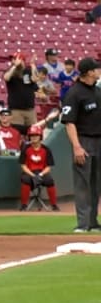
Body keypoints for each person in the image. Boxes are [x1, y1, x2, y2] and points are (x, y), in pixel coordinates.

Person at [60, 57, 101, 233]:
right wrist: (77, 146)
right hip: (83, 140)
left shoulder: (97, 92)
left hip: (99, 140)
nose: (99, 71)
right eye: (97, 69)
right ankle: (83, 224)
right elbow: (69, 122)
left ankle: (92, 222)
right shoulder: (74, 93)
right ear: (89, 72)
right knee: (83, 183)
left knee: (96, 183)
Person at [18, 126, 59, 211]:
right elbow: (23, 165)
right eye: (32, 136)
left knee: (49, 180)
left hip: (42, 172)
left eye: (36, 135)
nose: (34, 137)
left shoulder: (46, 149)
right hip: (29, 172)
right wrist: (32, 175)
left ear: (40, 136)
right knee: (25, 179)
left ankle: (54, 204)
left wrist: (40, 174)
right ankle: (24, 205)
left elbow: (48, 166)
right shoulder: (25, 148)